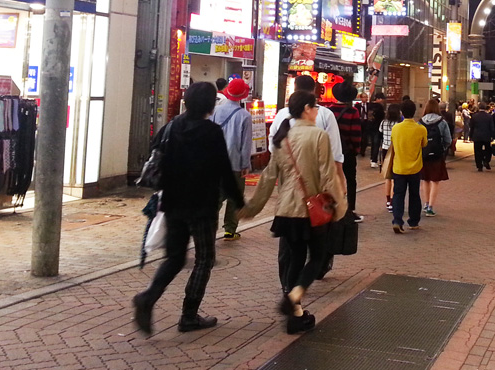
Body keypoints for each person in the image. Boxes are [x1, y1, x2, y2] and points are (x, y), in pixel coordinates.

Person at [132, 82, 244, 335]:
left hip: (172, 203)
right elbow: (224, 171)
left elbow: (153, 152)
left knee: (175, 257)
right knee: (204, 259)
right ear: (209, 105)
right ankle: (189, 315)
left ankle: (148, 298)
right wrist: (239, 200)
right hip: (202, 205)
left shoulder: (171, 126)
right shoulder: (211, 132)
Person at [238, 91, 347, 334]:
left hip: (286, 211)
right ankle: (294, 296)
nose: (318, 111)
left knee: (295, 259)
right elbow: (328, 176)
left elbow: (268, 177)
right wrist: (340, 207)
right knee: (317, 257)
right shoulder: (318, 136)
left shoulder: (282, 138)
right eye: (315, 107)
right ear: (307, 108)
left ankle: (295, 315)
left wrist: (252, 208)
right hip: (312, 211)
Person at [212, 77, 253, 240]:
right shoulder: (245, 116)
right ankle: (230, 230)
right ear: (242, 95)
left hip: (215, 163)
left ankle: (209, 229)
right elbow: (246, 144)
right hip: (235, 164)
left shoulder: (215, 111)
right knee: (234, 197)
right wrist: (245, 165)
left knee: (216, 198)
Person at [388, 99, 426, 233]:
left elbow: (393, 143)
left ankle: (397, 220)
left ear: (401, 112)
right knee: (414, 194)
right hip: (415, 167)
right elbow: (424, 144)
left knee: (398, 194)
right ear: (414, 112)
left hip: (399, 167)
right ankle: (413, 221)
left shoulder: (396, 128)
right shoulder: (421, 129)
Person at [328, 82, 364, 222]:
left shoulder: (328, 110)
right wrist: (356, 149)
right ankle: (349, 210)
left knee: (331, 179)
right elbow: (356, 133)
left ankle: (332, 207)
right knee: (350, 180)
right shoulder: (353, 111)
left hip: (331, 151)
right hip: (347, 151)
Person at [420, 98, 452, 217]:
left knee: (425, 179)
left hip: (424, 155)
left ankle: (426, 203)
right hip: (437, 155)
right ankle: (431, 207)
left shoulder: (421, 122)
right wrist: (442, 149)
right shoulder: (442, 122)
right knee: (435, 181)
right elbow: (448, 140)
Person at [380, 103, 401, 210]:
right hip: (396, 150)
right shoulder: (398, 124)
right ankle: (392, 201)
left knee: (387, 177)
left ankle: (388, 200)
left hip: (385, 149)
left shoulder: (384, 122)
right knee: (394, 177)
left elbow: (380, 133)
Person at [468, 103, 494, 171]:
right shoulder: (489, 116)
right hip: (486, 135)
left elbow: (471, 127)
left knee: (477, 151)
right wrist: (492, 136)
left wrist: (470, 136)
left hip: (477, 136)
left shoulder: (474, 116)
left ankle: (479, 165)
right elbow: (492, 127)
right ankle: (486, 160)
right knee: (488, 149)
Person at [368, 94, 386, 167]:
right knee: (376, 144)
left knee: (373, 143)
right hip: (377, 127)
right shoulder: (380, 107)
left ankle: (372, 158)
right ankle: (374, 160)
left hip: (370, 126)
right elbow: (382, 117)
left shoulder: (369, 105)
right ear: (378, 99)